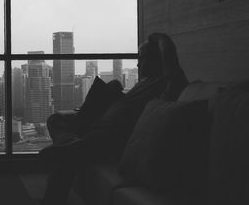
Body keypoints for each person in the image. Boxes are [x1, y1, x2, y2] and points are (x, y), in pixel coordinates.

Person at [39, 33, 188, 205]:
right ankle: (72, 146)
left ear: (157, 60)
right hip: (99, 126)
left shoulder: (167, 85)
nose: (139, 63)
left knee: (67, 160)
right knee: (55, 120)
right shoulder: (143, 83)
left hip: (115, 136)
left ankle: (69, 152)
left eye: (143, 58)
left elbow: (173, 66)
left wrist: (162, 40)